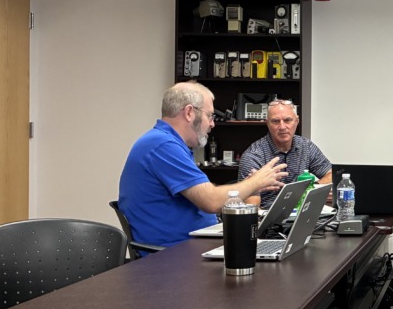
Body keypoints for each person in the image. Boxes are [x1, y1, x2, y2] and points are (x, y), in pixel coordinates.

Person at [119, 82, 287, 248]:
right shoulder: (163, 146)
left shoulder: (167, 143)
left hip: (190, 246)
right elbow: (211, 201)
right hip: (174, 256)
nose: (212, 124)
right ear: (190, 113)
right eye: (210, 116)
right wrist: (256, 182)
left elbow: (204, 192)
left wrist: (249, 188)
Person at [238, 99, 332, 208]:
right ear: (267, 123)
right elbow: (251, 207)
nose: (282, 127)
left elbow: (331, 174)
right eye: (275, 121)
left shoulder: (306, 146)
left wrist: (311, 190)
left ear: (297, 121)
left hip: (300, 213)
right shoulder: (253, 156)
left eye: (287, 120)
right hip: (267, 217)